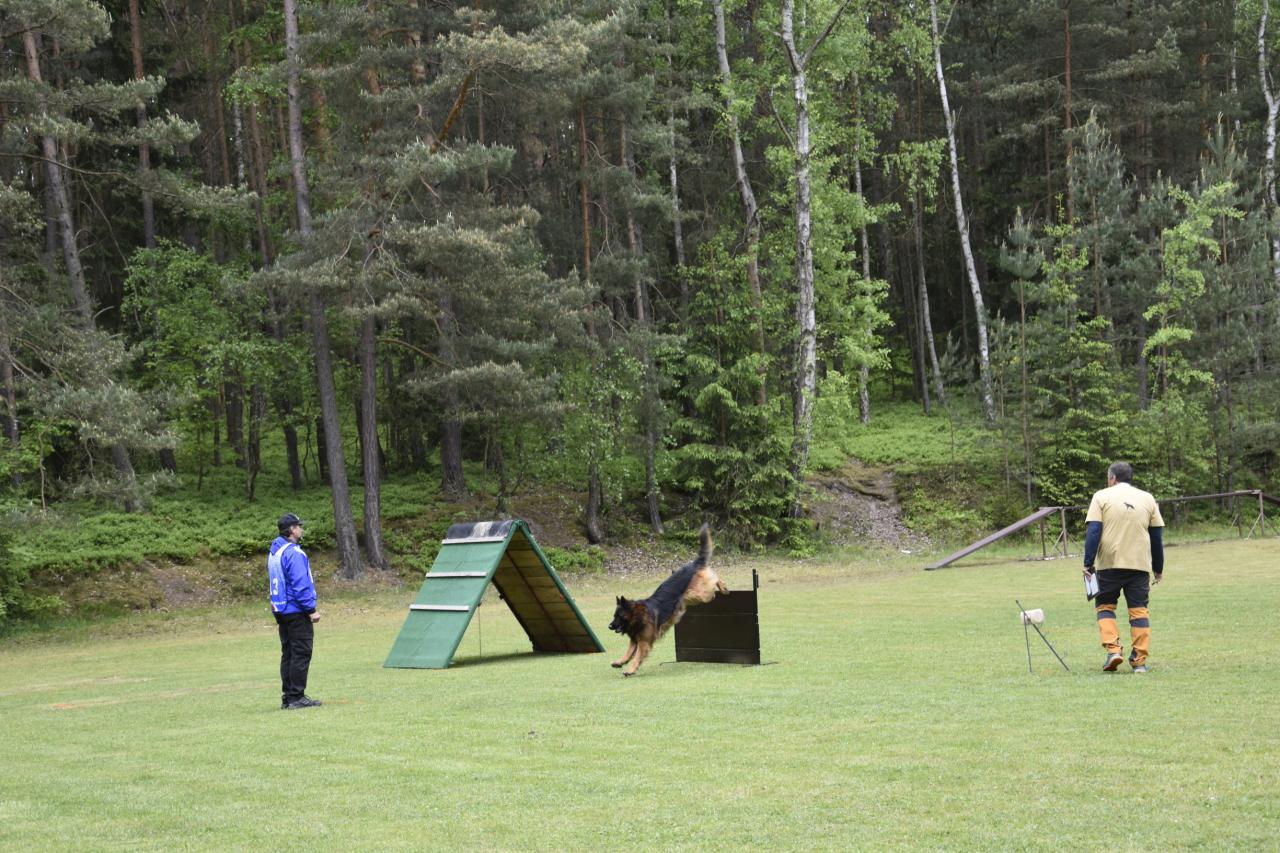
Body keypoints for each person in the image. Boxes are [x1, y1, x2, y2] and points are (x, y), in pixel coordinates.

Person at [1082, 461, 1164, 673]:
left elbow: (1093, 531)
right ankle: (1139, 662)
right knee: (1139, 611)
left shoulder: (1101, 496)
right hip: (1139, 565)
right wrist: (1158, 568)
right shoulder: (1148, 498)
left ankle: (1113, 651)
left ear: (1112, 478)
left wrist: (1088, 563)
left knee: (1105, 607)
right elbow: (1156, 537)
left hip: (1109, 564)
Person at [268, 513, 321, 708]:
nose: (301, 529)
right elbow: (300, 584)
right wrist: (311, 609)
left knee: (289, 653)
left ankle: (288, 696)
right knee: (301, 653)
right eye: (299, 526)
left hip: (281, 609)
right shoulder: (294, 553)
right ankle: (297, 696)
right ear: (291, 530)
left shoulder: (275, 551)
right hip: (296, 610)